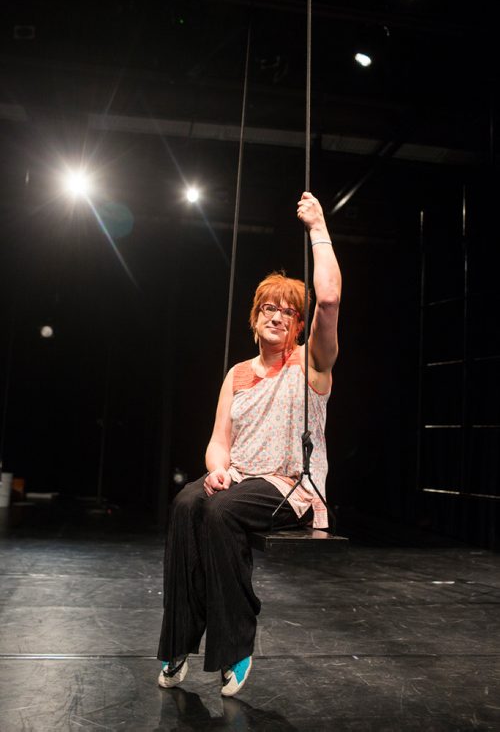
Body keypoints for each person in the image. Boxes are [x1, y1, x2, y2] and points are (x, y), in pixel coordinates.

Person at [157, 191, 341, 696]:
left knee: (220, 513)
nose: (277, 316)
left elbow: (328, 299)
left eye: (287, 312)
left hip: (288, 487)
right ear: (254, 316)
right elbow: (218, 443)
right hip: (238, 478)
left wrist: (318, 227)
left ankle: (235, 645)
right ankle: (178, 643)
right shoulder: (238, 374)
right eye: (268, 308)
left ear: (299, 325)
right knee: (186, 502)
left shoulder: (311, 365)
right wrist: (216, 468)